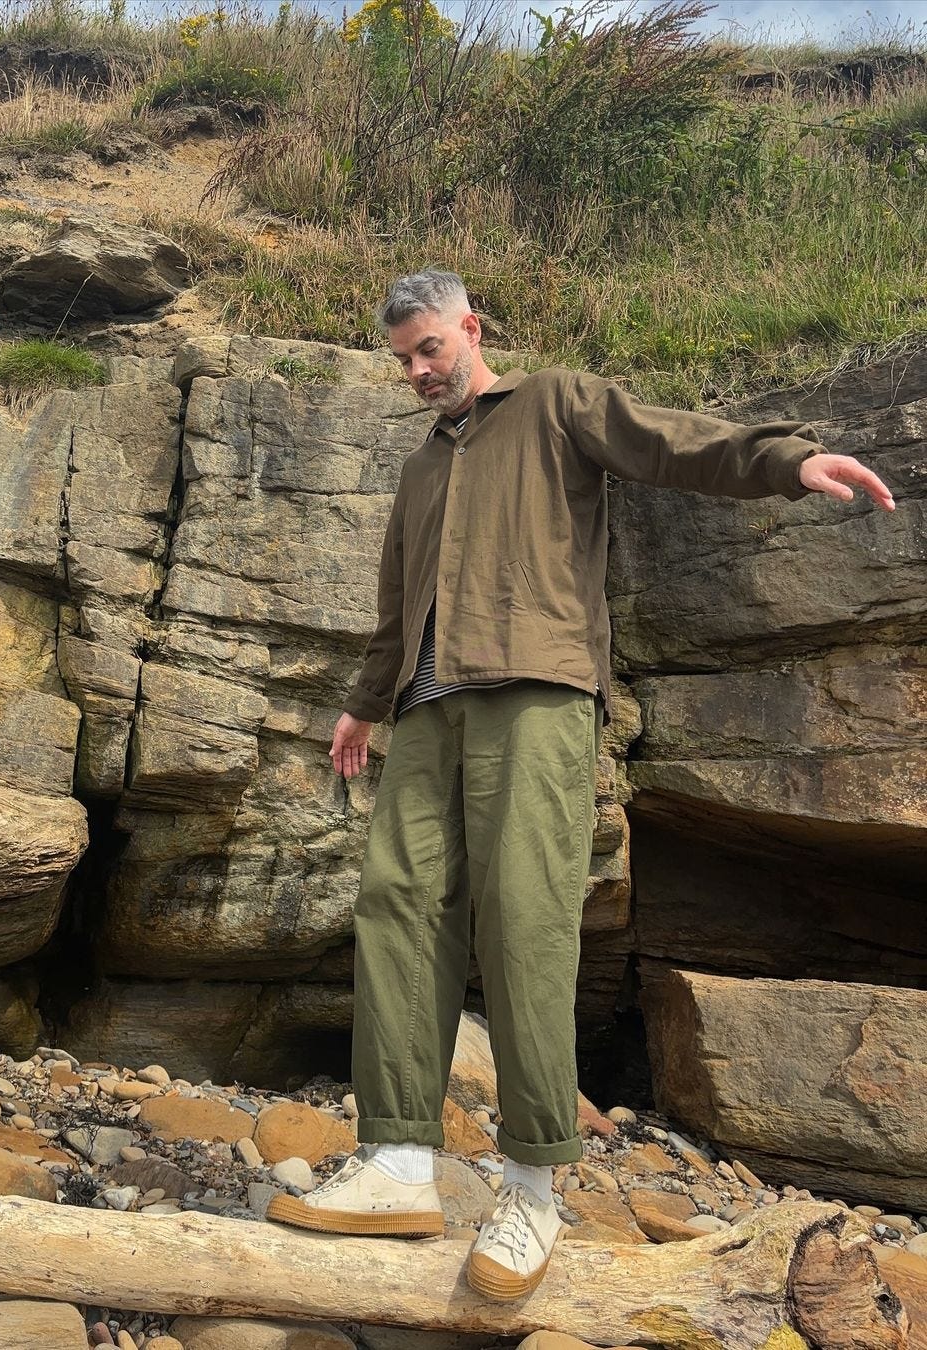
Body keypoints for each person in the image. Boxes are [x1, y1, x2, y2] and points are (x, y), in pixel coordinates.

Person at [265, 270, 895, 1300]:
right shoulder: (420, 470)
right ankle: (395, 1164)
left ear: (470, 329)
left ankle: (532, 1187)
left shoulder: (555, 404)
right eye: (404, 360)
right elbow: (395, 601)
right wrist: (366, 702)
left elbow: (671, 441)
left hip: (536, 695)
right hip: (426, 715)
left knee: (527, 922)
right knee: (398, 911)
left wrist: (790, 461)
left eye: (430, 349)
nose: (419, 372)